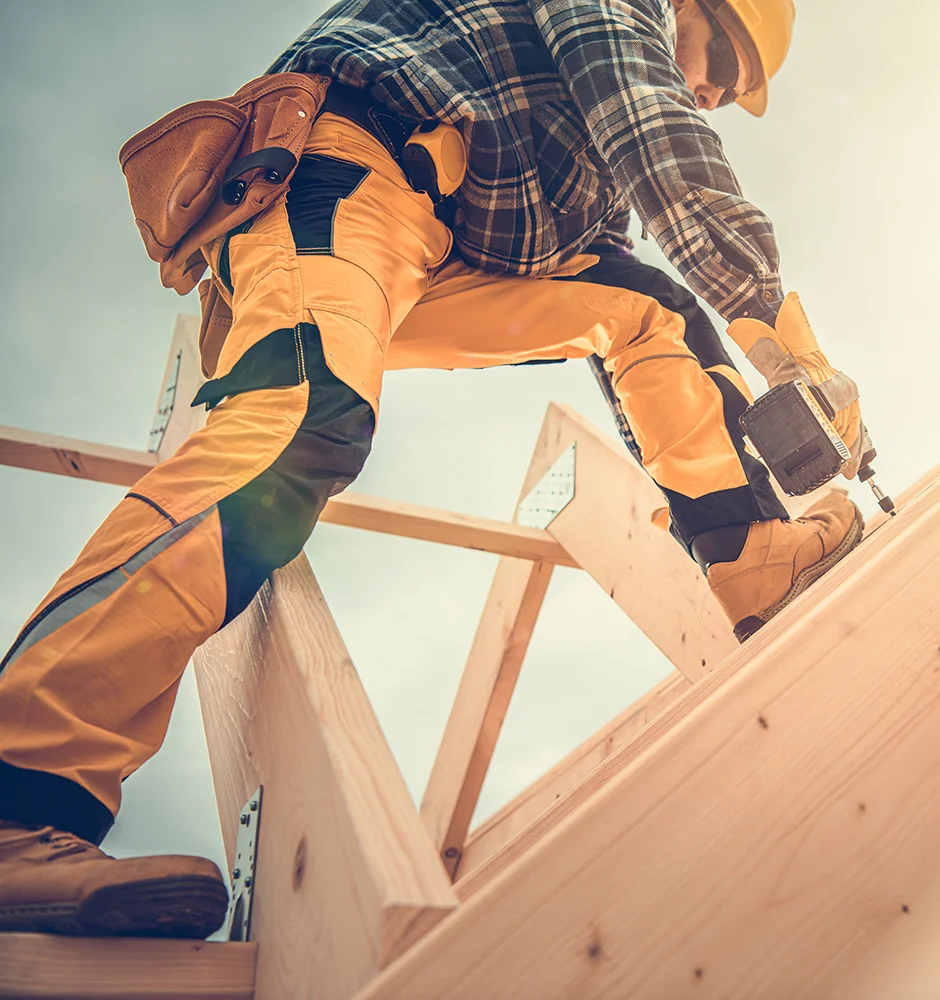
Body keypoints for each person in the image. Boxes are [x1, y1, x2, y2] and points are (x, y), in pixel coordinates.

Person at [0, 0, 864, 938]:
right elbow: (652, 120)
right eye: (722, 61)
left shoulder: (563, 164)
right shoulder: (617, 15)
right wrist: (778, 329)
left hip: (440, 245)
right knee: (298, 427)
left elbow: (610, 251)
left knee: (648, 307)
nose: (712, 91)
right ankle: (22, 796)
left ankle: (752, 555)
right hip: (344, 174)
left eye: (729, 92)